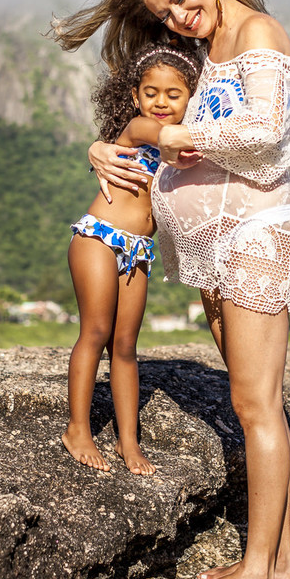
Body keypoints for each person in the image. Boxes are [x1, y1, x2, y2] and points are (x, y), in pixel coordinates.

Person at [51, 0, 290, 579]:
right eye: (167, 12)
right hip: (212, 247)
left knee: (256, 405)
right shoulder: (203, 56)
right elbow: (149, 116)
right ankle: (275, 561)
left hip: (257, 235)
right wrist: (108, 144)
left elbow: (264, 130)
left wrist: (169, 139)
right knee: (255, 400)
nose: (180, 16)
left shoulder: (259, 32)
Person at [63, 43, 202, 476]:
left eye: (174, 94)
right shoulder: (139, 129)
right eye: (152, 91)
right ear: (137, 97)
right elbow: (162, 136)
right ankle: (78, 430)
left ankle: (128, 441)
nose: (161, 101)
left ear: (190, 98)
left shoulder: (182, 154)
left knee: (125, 348)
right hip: (99, 238)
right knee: (97, 331)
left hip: (137, 251)